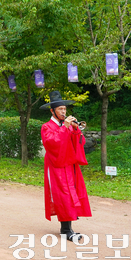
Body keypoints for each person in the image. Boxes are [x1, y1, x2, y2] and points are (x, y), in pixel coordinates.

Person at [40, 91, 91, 242]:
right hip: (56, 165)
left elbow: (79, 143)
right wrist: (65, 128)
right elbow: (51, 143)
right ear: (52, 111)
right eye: (60, 109)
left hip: (69, 164)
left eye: (64, 109)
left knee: (72, 192)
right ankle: (66, 229)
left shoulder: (67, 125)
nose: (63, 112)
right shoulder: (46, 127)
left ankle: (67, 227)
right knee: (63, 195)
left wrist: (75, 129)